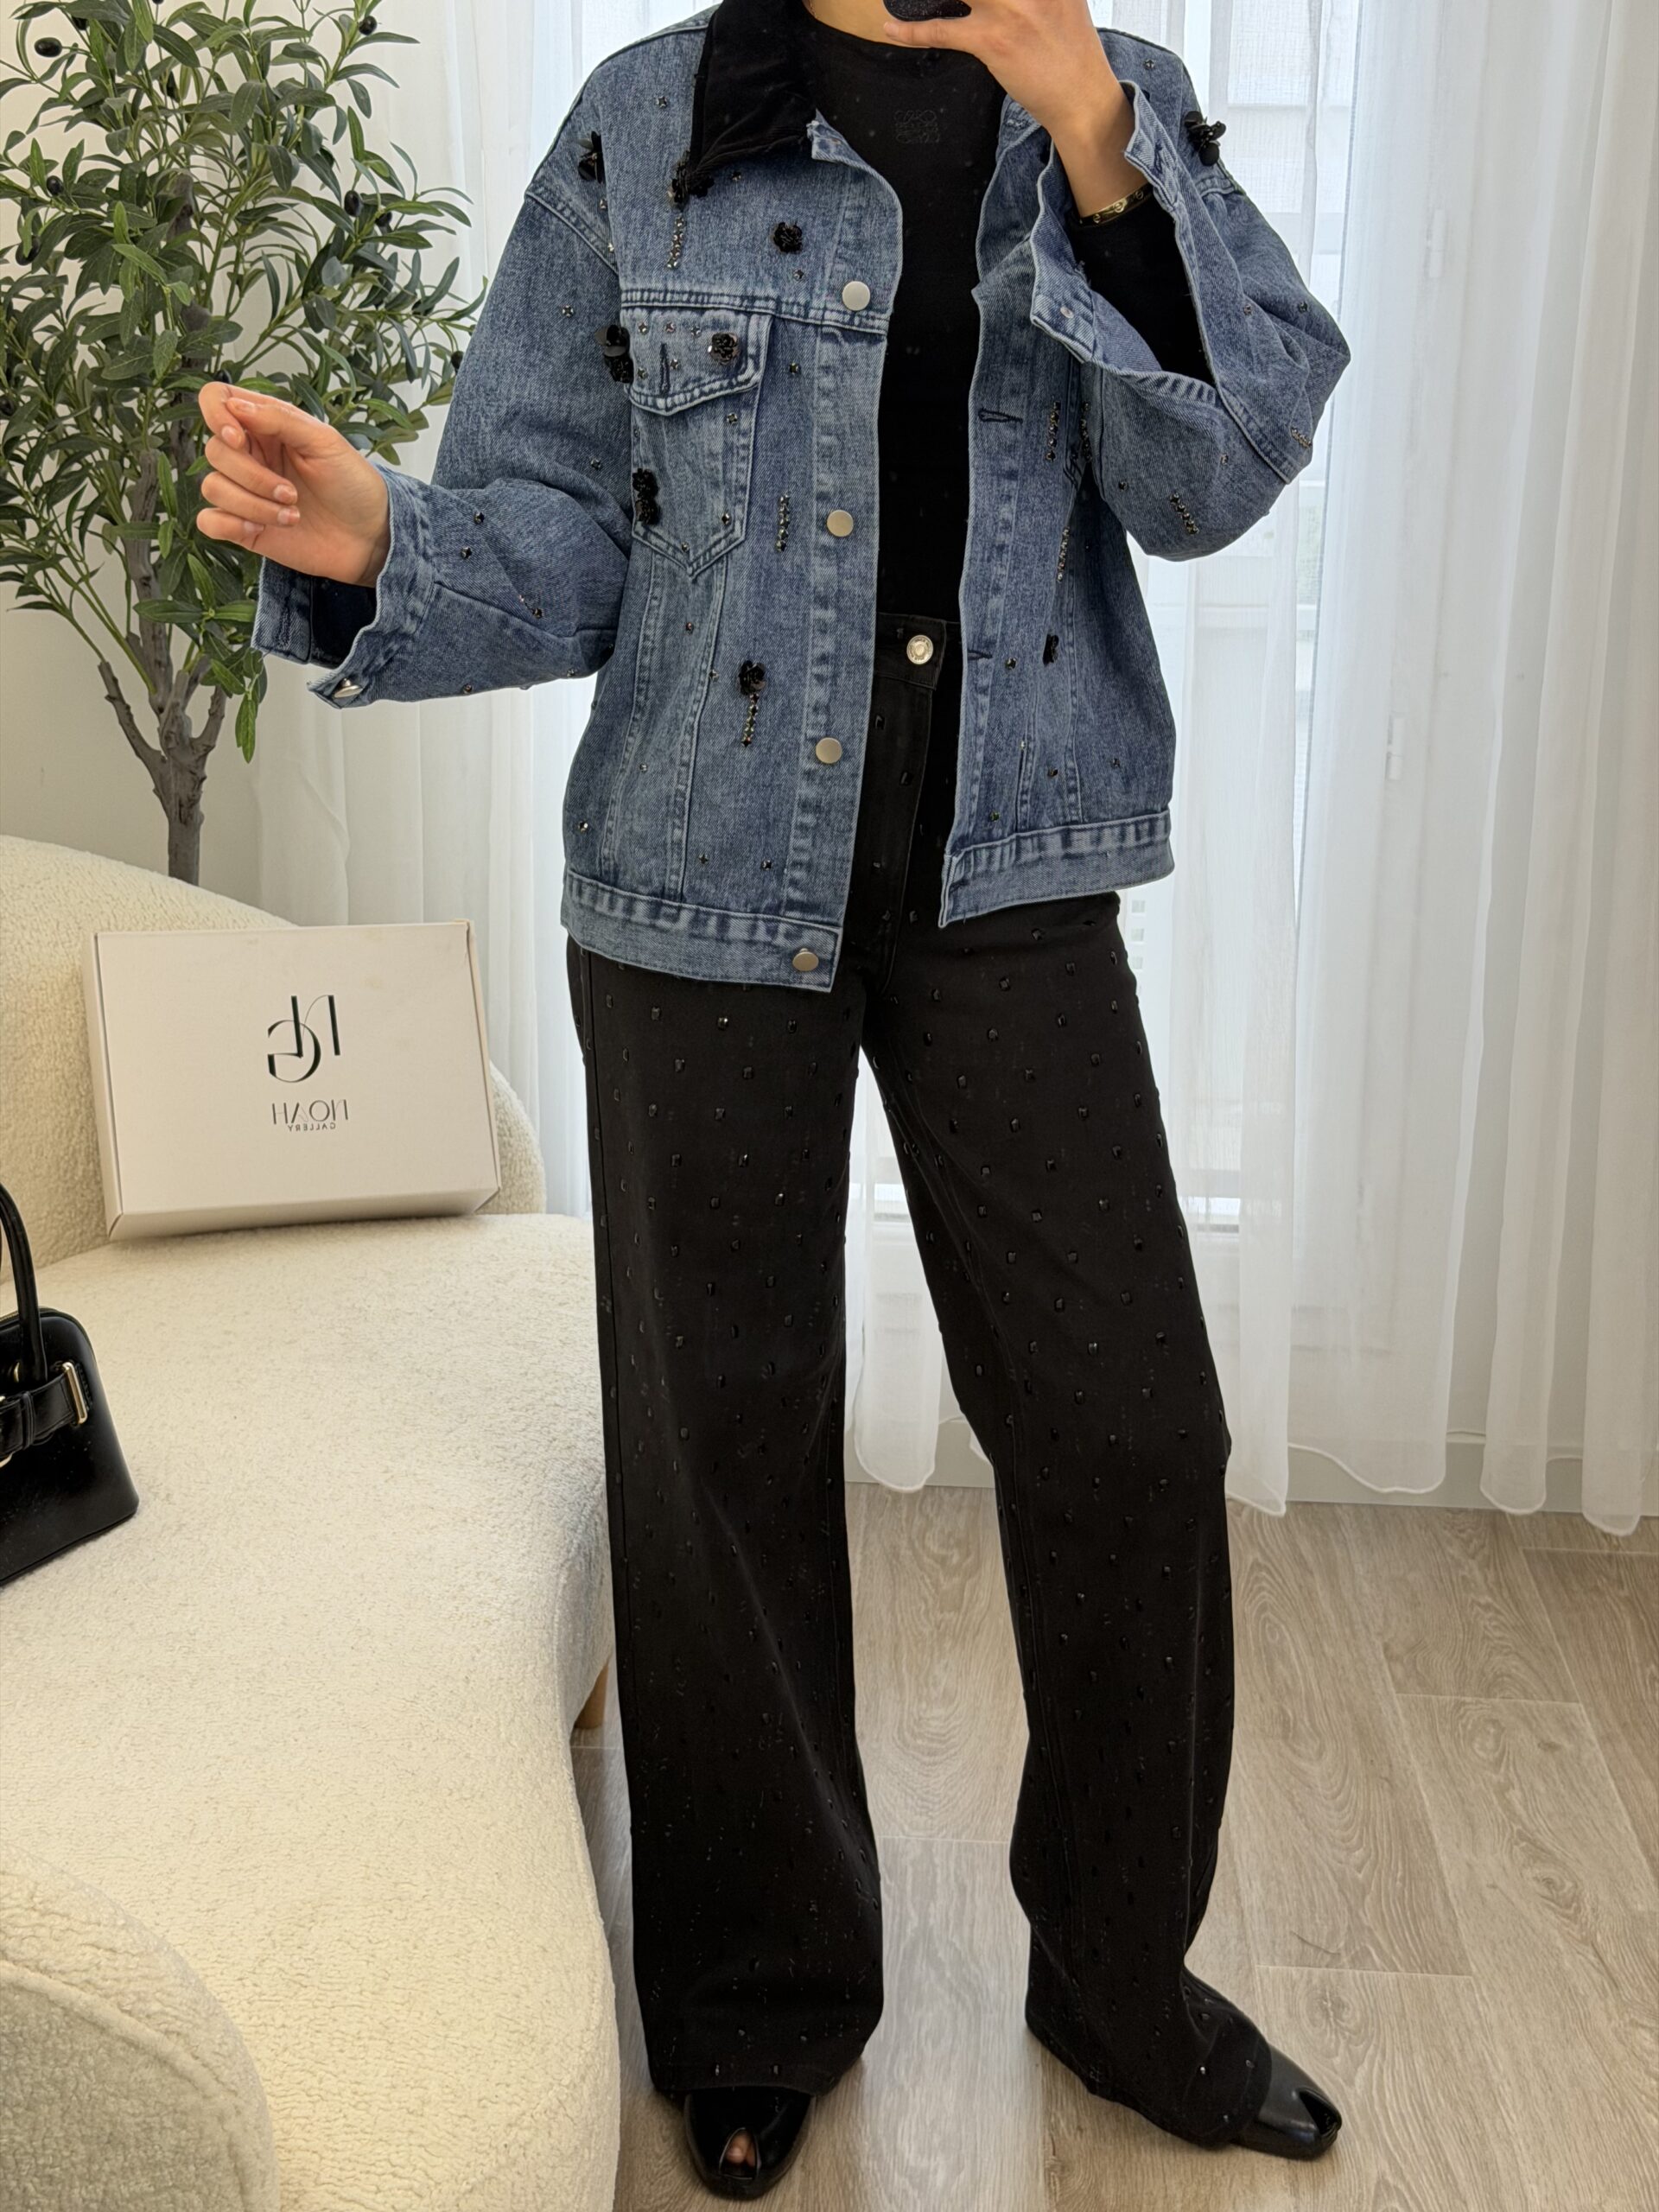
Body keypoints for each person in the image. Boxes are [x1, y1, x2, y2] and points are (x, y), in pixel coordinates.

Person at [194, 0, 1351, 2195]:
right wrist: (380, 538)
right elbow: (566, 535)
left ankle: (1121, 1977)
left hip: (1014, 873)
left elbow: (1213, 480)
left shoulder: (1106, 99)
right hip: (696, 879)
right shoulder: (647, 123)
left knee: (1130, 1433)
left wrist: (1096, 136)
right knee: (715, 1448)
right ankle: (755, 1996)